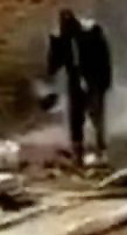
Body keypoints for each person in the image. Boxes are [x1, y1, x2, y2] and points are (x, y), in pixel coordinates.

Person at [46, 9, 112, 165]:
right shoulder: (61, 37)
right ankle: (78, 152)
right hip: (75, 80)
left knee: (96, 114)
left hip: (94, 78)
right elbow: (54, 64)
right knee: (76, 117)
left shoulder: (92, 31)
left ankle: (101, 149)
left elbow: (104, 56)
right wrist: (55, 46)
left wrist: (104, 81)